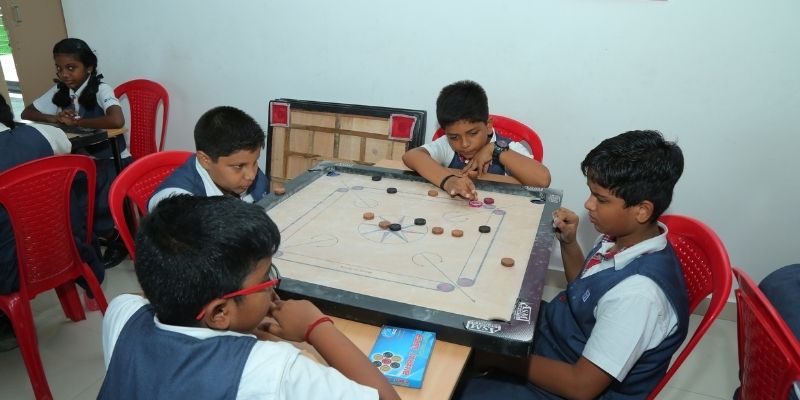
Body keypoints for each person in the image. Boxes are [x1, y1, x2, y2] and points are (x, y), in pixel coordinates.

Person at [458, 130, 688, 399]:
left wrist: (499, 357)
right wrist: (569, 243)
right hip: (557, 336)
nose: (588, 204)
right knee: (476, 311)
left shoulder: (639, 296)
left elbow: (581, 387)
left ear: (642, 210)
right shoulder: (622, 237)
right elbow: (586, 291)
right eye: (591, 193)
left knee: (452, 383)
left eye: (601, 199)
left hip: (566, 381)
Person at [99, 195, 399, 399]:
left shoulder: (121, 314)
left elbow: (153, 293)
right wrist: (316, 326)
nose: (271, 286)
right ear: (219, 312)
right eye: (265, 277)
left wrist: (242, 319)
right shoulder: (273, 370)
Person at [0, 94, 105, 351]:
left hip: (12, 271)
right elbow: (66, 147)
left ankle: (7, 326)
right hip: (63, 250)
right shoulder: (43, 134)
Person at [21, 37, 129, 268]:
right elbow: (27, 113)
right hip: (84, 161)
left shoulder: (101, 88)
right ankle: (84, 239)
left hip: (112, 159)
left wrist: (79, 122)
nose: (64, 74)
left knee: (86, 199)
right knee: (61, 192)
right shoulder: (61, 89)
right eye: (59, 69)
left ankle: (115, 239)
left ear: (88, 67)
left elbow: (116, 120)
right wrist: (56, 118)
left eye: (71, 68)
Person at [402, 80, 550, 200]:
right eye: (454, 137)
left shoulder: (510, 149)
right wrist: (448, 180)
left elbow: (543, 180)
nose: (464, 144)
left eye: (472, 133)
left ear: (488, 126)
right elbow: (411, 156)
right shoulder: (447, 145)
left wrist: (496, 150)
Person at [148, 106, 269, 211]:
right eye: (239, 166)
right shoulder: (178, 207)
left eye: (255, 162)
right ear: (205, 160)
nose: (251, 175)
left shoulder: (245, 169)